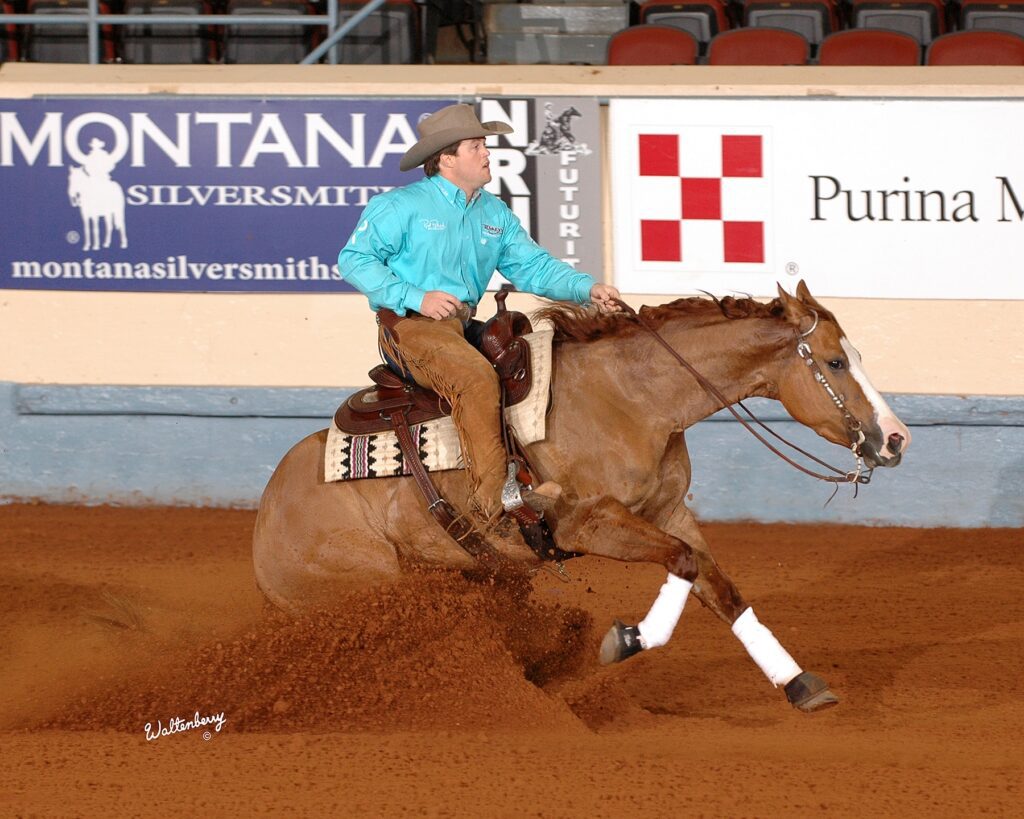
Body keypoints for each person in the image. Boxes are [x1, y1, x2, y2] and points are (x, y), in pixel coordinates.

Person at [338, 103, 620, 530]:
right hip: (411, 327)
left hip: (463, 326)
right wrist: (414, 296)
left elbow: (533, 267)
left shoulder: (494, 213)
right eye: (477, 146)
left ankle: (529, 474)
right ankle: (495, 504)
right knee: (474, 378)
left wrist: (588, 288)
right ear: (447, 158)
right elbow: (354, 260)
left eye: (485, 144)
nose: (487, 153)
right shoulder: (401, 206)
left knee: (543, 365)